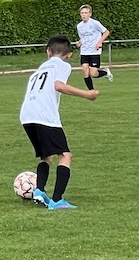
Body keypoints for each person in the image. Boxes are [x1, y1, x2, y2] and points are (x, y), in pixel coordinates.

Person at [19, 35, 99, 210]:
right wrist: (87, 94)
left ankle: (39, 191)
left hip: (27, 116)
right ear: (69, 55)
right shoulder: (63, 65)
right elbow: (59, 86)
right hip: (45, 116)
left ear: (48, 51)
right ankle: (57, 200)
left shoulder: (39, 70)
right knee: (65, 155)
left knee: (46, 156)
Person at [75, 4, 114, 90]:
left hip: (94, 51)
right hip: (84, 51)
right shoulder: (79, 26)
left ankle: (105, 73)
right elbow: (83, 38)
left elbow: (106, 32)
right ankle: (91, 91)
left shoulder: (95, 23)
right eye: (82, 13)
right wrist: (79, 42)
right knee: (85, 70)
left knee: (93, 73)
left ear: (90, 14)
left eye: (86, 13)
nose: (84, 15)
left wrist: (100, 42)